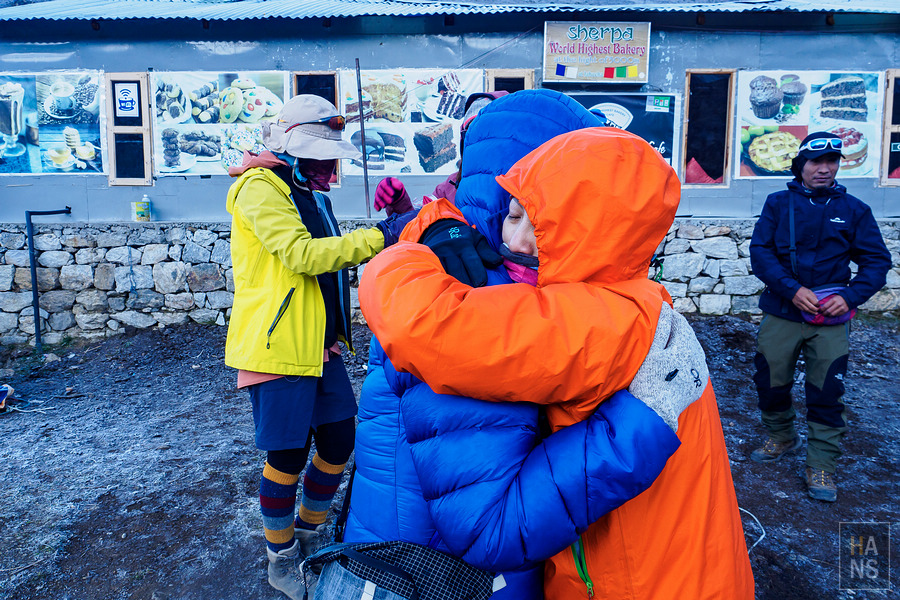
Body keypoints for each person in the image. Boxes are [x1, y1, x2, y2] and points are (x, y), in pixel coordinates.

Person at [356, 102, 754, 597]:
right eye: (512, 213)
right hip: (428, 567)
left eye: (536, 221)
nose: (516, 238)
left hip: (605, 579)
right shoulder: (626, 297)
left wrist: (408, 244)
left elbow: (424, 323)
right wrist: (427, 224)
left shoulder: (582, 314)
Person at [223, 94, 493, 600]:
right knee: (287, 456)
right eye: (322, 161)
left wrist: (395, 226)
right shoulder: (258, 189)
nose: (331, 172)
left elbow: (330, 260)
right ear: (292, 151)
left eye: (333, 161)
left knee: (338, 445)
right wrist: (381, 236)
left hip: (318, 347)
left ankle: (310, 531)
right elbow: (302, 256)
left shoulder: (315, 197)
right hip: (276, 347)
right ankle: (280, 557)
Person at [748, 131, 891, 502]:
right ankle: (781, 436)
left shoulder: (855, 210)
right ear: (801, 166)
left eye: (832, 162)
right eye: (816, 162)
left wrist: (851, 296)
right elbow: (761, 253)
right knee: (770, 380)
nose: (824, 169)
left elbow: (877, 262)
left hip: (831, 319)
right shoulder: (778, 204)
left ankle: (821, 462)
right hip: (782, 310)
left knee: (827, 390)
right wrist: (791, 289)